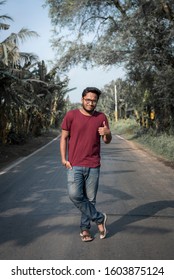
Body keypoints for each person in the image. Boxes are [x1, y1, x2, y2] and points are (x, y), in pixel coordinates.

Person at [60, 87, 112, 242]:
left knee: (90, 200)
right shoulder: (71, 115)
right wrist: (64, 159)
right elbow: (64, 138)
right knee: (74, 195)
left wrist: (107, 133)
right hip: (74, 164)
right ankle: (99, 218)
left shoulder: (101, 117)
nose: (91, 103)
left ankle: (85, 230)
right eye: (88, 100)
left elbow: (107, 141)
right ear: (82, 99)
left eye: (94, 100)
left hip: (93, 165)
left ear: (96, 101)